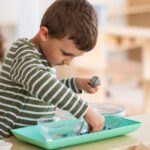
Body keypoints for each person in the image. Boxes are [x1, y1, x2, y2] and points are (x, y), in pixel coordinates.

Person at [0, 0, 105, 139]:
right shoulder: (22, 52)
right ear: (44, 34)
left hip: (31, 138)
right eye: (66, 54)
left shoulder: (47, 60)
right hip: (7, 139)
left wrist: (75, 84)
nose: (68, 62)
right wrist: (84, 110)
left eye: (74, 57)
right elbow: (41, 85)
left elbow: (45, 94)